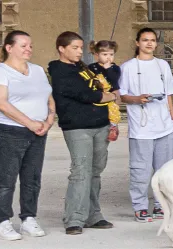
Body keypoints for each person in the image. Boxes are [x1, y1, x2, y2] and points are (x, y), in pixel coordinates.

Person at [49, 31, 118, 235]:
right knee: (80, 171)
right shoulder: (58, 70)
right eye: (75, 48)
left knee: (95, 172)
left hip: (100, 124)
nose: (80, 51)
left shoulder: (84, 69)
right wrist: (108, 96)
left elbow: (103, 85)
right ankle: (74, 218)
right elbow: (84, 94)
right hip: (78, 127)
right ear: (62, 48)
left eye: (81, 47)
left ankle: (93, 215)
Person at [0, 30, 52, 241]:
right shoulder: (0, 71)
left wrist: (49, 120)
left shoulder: (38, 70)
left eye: (30, 45)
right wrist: (30, 123)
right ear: (9, 48)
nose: (28, 49)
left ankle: (29, 218)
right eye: (23, 45)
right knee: (6, 178)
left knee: (32, 178)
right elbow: (1, 103)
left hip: (38, 130)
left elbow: (49, 97)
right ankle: (2, 222)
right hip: (8, 129)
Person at [120, 28, 173, 223]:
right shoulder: (128, 67)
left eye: (153, 40)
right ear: (137, 43)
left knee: (164, 169)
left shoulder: (162, 65)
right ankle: (140, 206)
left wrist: (172, 117)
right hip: (141, 126)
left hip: (165, 126)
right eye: (145, 40)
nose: (149, 44)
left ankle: (161, 205)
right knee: (140, 169)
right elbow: (122, 95)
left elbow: (168, 93)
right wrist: (137, 99)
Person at [88, 40, 122, 142]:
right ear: (97, 55)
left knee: (113, 110)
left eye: (111, 54)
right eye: (105, 54)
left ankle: (113, 126)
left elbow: (114, 80)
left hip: (111, 93)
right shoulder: (92, 67)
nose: (108, 57)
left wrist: (108, 69)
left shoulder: (115, 68)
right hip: (98, 94)